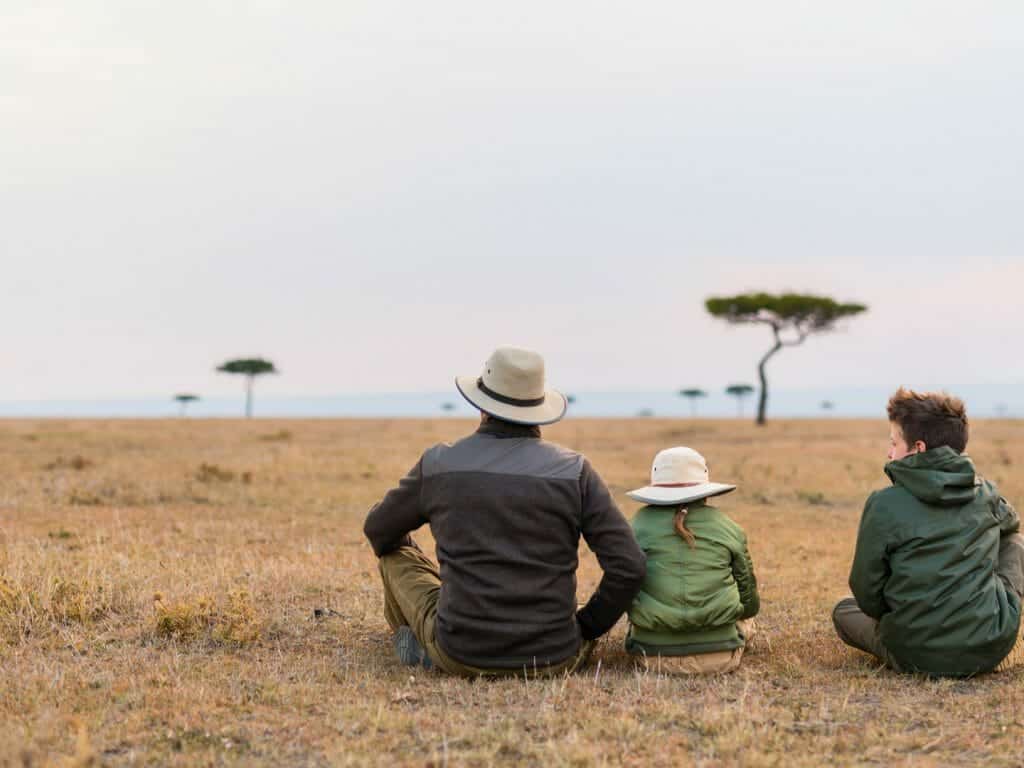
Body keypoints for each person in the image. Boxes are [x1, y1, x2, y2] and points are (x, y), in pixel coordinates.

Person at [363, 346, 646, 676]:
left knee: (394, 556)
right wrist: (584, 627)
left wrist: (416, 552)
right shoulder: (575, 471)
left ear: (482, 406)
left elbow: (378, 531)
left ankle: (416, 647)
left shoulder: (439, 463)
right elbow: (630, 567)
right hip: (556, 656)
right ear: (540, 409)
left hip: (460, 651)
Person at [833, 387, 1024, 676]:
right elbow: (1012, 530)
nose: (889, 452)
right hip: (990, 646)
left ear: (918, 448)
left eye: (894, 442)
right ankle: (992, 619)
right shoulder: (985, 492)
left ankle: (914, 637)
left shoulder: (884, 504)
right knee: (1013, 539)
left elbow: (865, 589)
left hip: (913, 652)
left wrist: (901, 615)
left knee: (843, 612)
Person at [624, 446, 760, 674]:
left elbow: (621, 584)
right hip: (721, 655)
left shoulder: (636, 525)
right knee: (748, 623)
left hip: (652, 656)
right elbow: (750, 603)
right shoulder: (726, 526)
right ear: (704, 489)